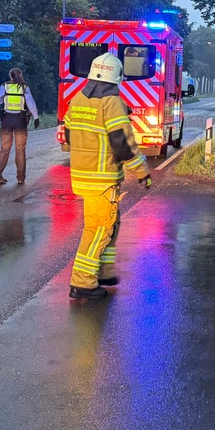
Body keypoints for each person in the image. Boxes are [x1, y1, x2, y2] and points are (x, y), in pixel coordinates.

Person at [64, 52, 151, 300]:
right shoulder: (111, 102)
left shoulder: (78, 98)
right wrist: (142, 172)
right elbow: (122, 143)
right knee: (99, 229)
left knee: (110, 225)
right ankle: (82, 282)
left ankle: (103, 271)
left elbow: (70, 133)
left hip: (82, 174)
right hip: (102, 178)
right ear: (117, 77)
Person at [0, 68, 41, 186]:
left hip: (7, 120)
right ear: (20, 75)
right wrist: (36, 117)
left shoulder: (5, 86)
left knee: (4, 149)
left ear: (10, 76)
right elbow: (31, 104)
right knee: (20, 150)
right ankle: (20, 178)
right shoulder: (24, 88)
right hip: (20, 121)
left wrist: (5, 100)